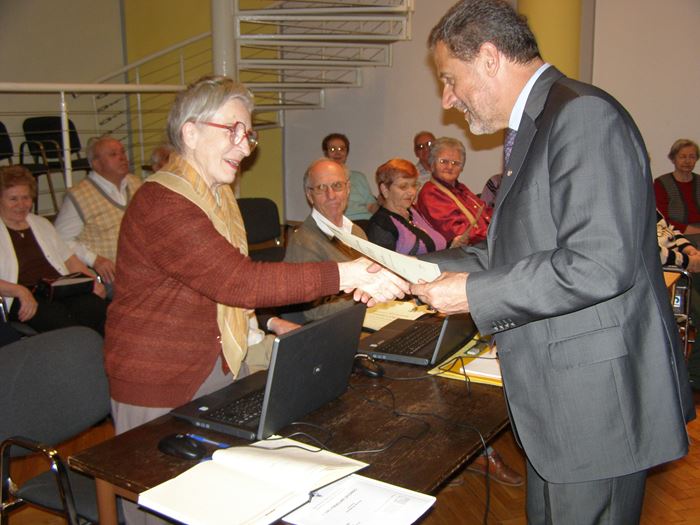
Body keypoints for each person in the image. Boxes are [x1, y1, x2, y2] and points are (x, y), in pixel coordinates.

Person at [411, 1, 694, 523]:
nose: (448, 99)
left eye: (449, 79)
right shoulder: (543, 121)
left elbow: (599, 263)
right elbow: (514, 250)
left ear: (489, 58)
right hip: (564, 407)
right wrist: (409, 271)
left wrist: (471, 293)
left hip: (597, 409)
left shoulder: (581, 115)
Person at [104, 75, 407, 525]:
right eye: (233, 130)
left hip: (213, 363)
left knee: (213, 504)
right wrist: (347, 273)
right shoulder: (163, 202)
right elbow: (236, 280)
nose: (245, 147)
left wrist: (265, 323)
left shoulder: (215, 195)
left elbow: (213, 283)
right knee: (162, 508)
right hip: (160, 377)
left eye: (248, 134)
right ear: (190, 132)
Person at [0, 165, 107, 335]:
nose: (21, 204)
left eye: (26, 198)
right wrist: (19, 290)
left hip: (59, 288)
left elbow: (69, 259)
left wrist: (91, 281)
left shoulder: (41, 224)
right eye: (13, 199)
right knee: (68, 327)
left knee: (102, 312)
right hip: (23, 297)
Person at [283, 157, 366, 322]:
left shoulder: (357, 232)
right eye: (321, 188)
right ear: (310, 195)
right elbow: (315, 311)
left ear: (348, 189)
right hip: (332, 328)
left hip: (361, 319)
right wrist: (366, 293)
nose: (331, 195)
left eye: (337, 186)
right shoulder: (303, 242)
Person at [54, 135, 142, 287]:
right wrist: (94, 259)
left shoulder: (136, 183)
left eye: (122, 152)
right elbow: (60, 240)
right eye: (113, 154)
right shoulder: (79, 195)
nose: (122, 158)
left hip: (142, 267)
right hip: (111, 276)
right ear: (96, 163)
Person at [415, 136, 491, 247]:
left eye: (456, 163)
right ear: (432, 164)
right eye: (443, 161)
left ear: (462, 168)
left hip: (485, 245)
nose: (450, 167)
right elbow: (460, 233)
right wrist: (495, 235)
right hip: (464, 252)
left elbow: (486, 213)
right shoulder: (431, 193)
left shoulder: (461, 188)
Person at [366, 158, 447, 255]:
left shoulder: (413, 212)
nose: (412, 192)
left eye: (414, 185)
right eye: (403, 186)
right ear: (385, 189)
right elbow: (385, 263)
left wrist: (453, 244)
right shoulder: (380, 224)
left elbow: (433, 245)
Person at [322, 133, 377, 223]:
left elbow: (371, 206)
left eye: (342, 149)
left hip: (367, 221)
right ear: (326, 153)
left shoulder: (359, 177)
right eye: (332, 149)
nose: (337, 153)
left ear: (346, 153)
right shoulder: (322, 178)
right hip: (343, 224)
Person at [654, 139, 700, 234]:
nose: (687, 161)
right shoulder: (661, 184)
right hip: (675, 234)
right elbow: (661, 219)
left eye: (692, 157)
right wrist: (693, 231)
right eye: (682, 157)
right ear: (673, 159)